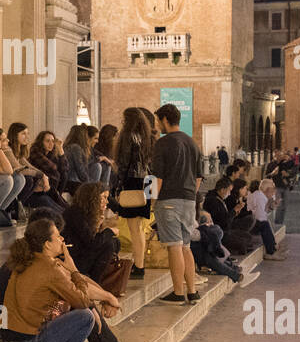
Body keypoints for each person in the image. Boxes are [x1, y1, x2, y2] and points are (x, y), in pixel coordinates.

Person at [0, 217, 139, 342]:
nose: (62, 239)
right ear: (47, 244)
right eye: (58, 236)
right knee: (84, 316)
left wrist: (106, 296)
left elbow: (78, 285)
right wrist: (73, 269)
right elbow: (82, 300)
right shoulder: (48, 268)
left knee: (75, 306)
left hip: (14, 340)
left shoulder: (32, 259)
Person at [151, 104, 202, 304]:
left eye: (158, 121)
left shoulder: (162, 144)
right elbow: (198, 177)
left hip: (168, 200)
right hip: (189, 200)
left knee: (174, 247)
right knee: (185, 247)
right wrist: (189, 194)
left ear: (165, 120)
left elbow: (159, 178)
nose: (158, 125)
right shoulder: (192, 143)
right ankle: (193, 291)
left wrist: (153, 202)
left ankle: (178, 293)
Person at [62, 183, 131, 296]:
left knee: (115, 243)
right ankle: (95, 284)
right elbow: (92, 242)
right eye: (104, 197)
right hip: (73, 260)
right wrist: (109, 231)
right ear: (92, 197)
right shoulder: (75, 213)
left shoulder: (87, 212)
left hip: (82, 254)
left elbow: (92, 240)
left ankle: (96, 283)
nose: (107, 202)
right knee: (108, 244)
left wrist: (99, 224)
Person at [112, 107, 154, 280]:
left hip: (132, 182)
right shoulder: (148, 138)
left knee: (134, 229)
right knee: (139, 229)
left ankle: (139, 267)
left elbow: (123, 164)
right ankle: (140, 264)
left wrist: (118, 187)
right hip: (147, 182)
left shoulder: (127, 137)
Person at [5, 123, 64, 216]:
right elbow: (21, 169)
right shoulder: (8, 149)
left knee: (52, 198)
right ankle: (14, 209)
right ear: (14, 135)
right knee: (30, 180)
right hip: (20, 190)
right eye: (23, 133)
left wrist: (43, 176)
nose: (27, 136)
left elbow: (29, 167)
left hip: (40, 189)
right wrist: (42, 176)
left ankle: (70, 215)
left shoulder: (19, 151)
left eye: (27, 133)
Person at [246, 179, 284, 259]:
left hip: (252, 222)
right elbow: (261, 217)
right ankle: (271, 251)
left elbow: (264, 213)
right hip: (249, 225)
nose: (274, 193)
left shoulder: (261, 196)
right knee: (264, 224)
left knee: (265, 223)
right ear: (267, 190)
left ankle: (273, 247)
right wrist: (271, 206)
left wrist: (272, 206)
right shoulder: (260, 197)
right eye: (272, 190)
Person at [28, 130, 70, 201]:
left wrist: (60, 149)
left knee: (64, 175)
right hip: (38, 182)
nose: (51, 144)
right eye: (47, 141)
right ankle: (56, 198)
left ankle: (57, 196)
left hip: (50, 185)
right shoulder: (35, 152)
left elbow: (65, 168)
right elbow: (52, 168)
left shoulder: (51, 154)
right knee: (56, 173)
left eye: (53, 141)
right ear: (41, 142)